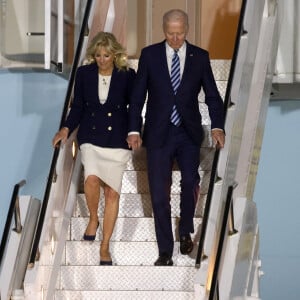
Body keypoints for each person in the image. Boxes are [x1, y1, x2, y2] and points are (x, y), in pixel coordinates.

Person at [127, 9, 225, 266]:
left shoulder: (200, 57)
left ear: (187, 30)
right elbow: (138, 97)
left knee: (191, 180)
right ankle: (165, 251)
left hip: (188, 131)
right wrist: (134, 129)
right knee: (159, 193)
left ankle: (185, 231)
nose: (175, 38)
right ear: (164, 30)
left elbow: (213, 96)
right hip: (158, 133)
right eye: (170, 34)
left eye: (179, 33)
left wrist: (217, 126)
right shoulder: (149, 55)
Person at [52, 31, 136, 265]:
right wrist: (66, 130)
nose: (101, 59)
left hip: (118, 140)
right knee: (90, 180)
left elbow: (135, 107)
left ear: (115, 55)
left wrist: (134, 132)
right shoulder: (84, 73)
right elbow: (78, 106)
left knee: (112, 192)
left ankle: (105, 246)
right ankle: (93, 218)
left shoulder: (127, 75)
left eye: (106, 55)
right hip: (90, 136)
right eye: (98, 55)